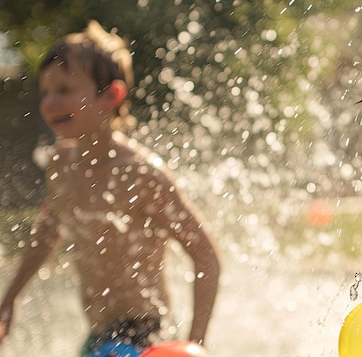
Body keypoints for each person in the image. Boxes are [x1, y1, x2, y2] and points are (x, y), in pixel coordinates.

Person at [0, 21, 220, 356]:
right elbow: (49, 230)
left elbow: (205, 256)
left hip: (145, 333)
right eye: (46, 92)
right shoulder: (61, 164)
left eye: (63, 89)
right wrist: (10, 297)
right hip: (100, 334)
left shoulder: (141, 175)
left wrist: (193, 345)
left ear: (110, 96)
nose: (49, 102)